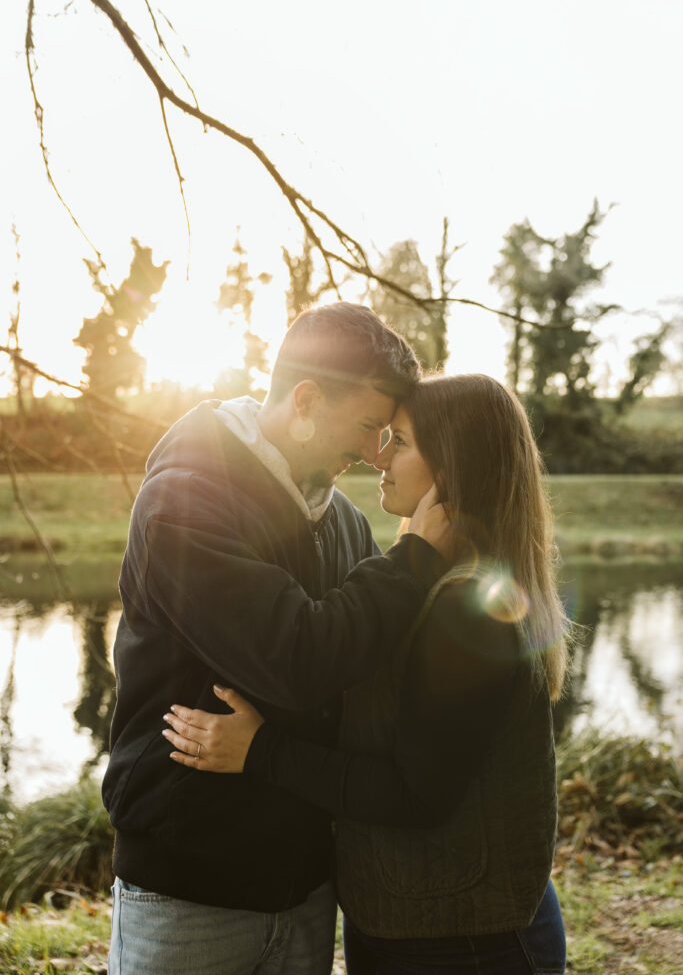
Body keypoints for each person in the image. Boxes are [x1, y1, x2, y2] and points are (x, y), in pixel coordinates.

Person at [164, 373, 571, 975]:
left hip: (465, 941)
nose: (378, 456)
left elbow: (416, 793)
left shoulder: (468, 604)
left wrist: (262, 751)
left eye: (400, 442)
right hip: (419, 919)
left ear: (452, 465)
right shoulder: (429, 579)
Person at [103, 303, 451, 975]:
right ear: (305, 400)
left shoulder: (343, 519)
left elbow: (364, 660)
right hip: (187, 893)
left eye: (388, 435)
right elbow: (294, 659)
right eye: (368, 427)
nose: (374, 451)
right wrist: (413, 560)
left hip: (305, 889)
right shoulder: (186, 500)